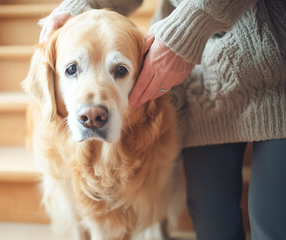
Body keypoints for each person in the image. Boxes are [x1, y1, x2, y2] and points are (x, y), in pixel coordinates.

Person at [38, 0, 286, 239]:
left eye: (120, 71)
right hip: (203, 89)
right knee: (214, 226)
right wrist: (80, 4)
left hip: (277, 77)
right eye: (72, 69)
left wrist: (187, 31)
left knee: (272, 223)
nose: (92, 110)